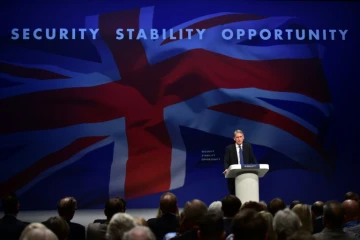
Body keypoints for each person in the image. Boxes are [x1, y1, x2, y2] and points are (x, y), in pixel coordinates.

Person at [223, 130, 257, 195]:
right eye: (237, 137)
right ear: (234, 138)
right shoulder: (229, 148)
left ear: (243, 137)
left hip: (246, 175)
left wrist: (257, 167)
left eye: (240, 137)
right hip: (233, 177)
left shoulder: (248, 146)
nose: (239, 139)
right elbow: (226, 161)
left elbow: (252, 158)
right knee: (234, 195)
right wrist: (226, 169)